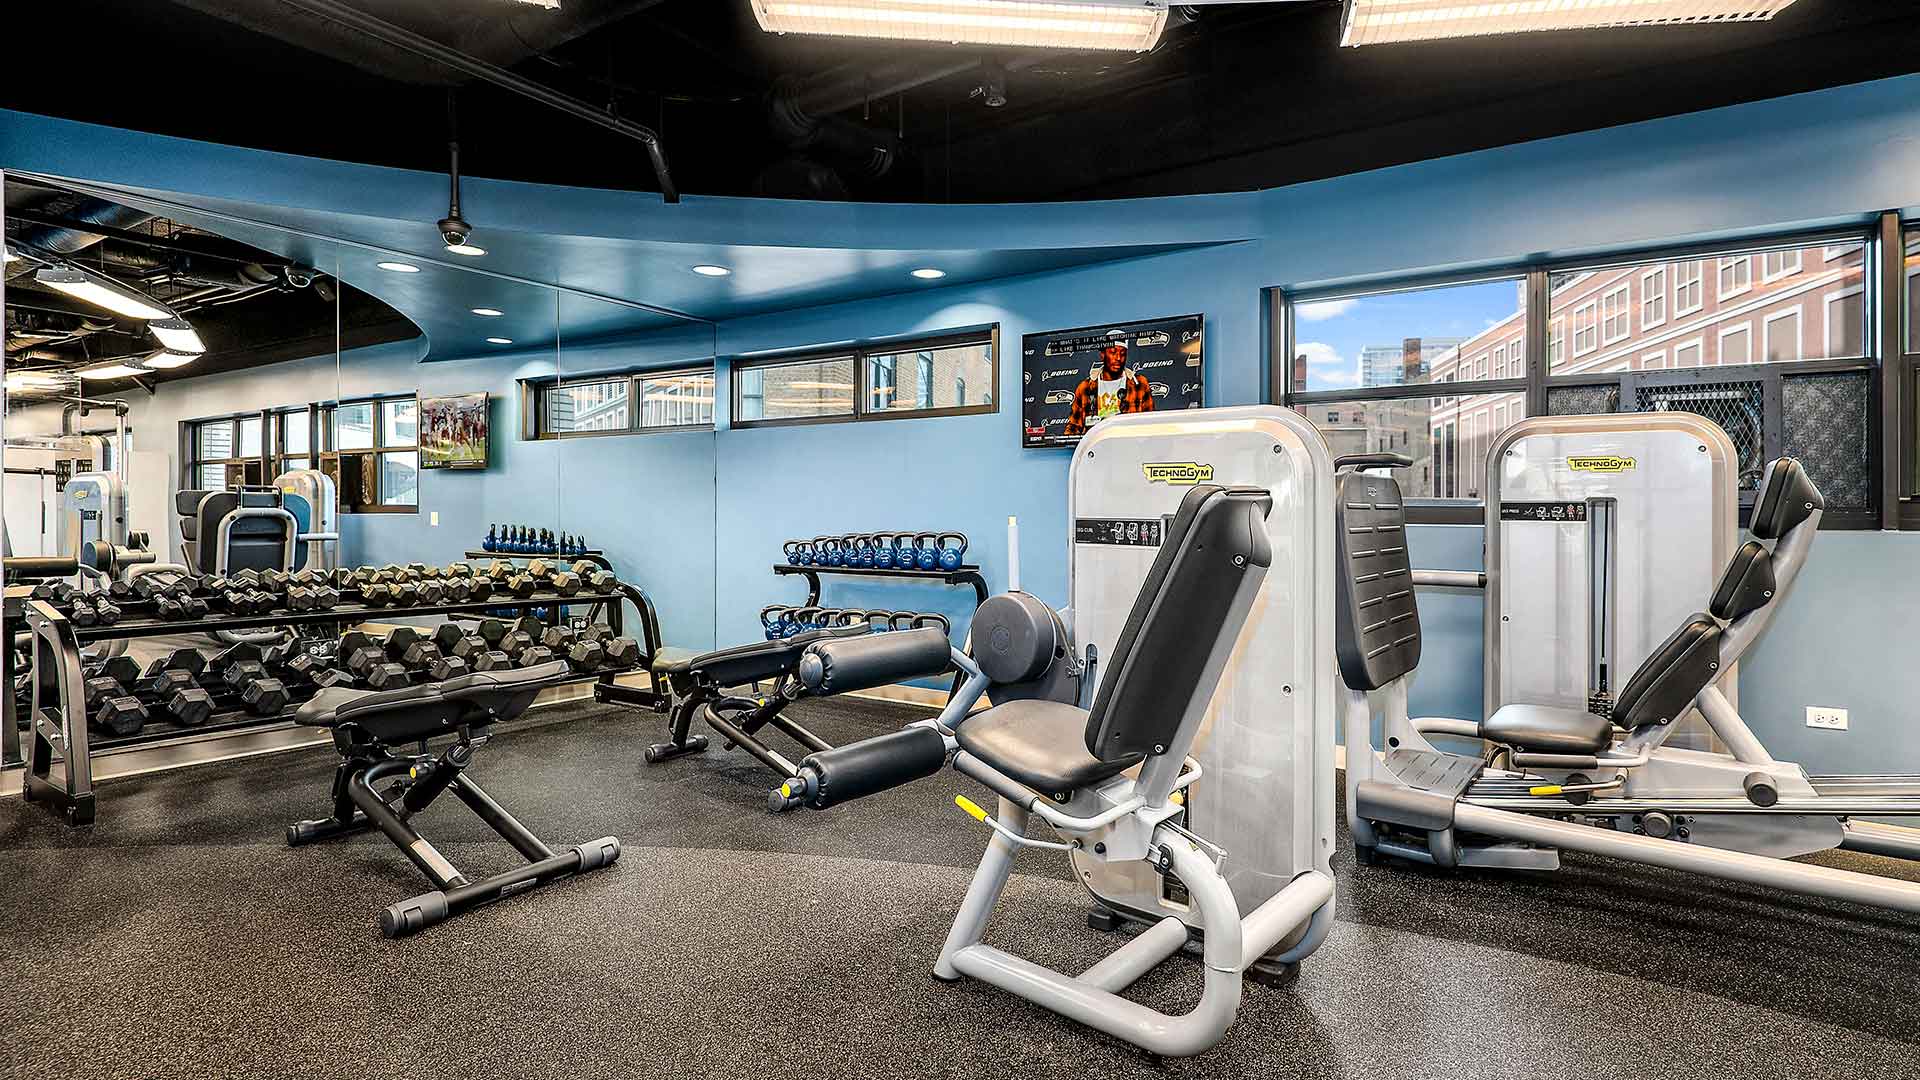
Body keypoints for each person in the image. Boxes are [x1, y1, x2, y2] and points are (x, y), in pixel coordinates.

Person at [1063, 339, 1154, 437]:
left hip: (1130, 443)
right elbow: (1073, 427)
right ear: (1103, 355)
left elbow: (1150, 423)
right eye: (1113, 352)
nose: (1118, 358)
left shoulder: (1139, 384)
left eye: (1123, 354)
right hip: (1097, 444)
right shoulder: (1085, 388)